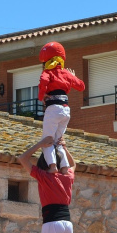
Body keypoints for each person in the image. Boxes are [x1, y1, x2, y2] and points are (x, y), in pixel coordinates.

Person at [37, 41, 85, 174]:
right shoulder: (66, 73)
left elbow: (43, 82)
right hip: (66, 110)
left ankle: (52, 167)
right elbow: (81, 86)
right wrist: (73, 77)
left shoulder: (48, 72)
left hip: (53, 109)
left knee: (47, 140)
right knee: (59, 140)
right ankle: (64, 167)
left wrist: (42, 96)